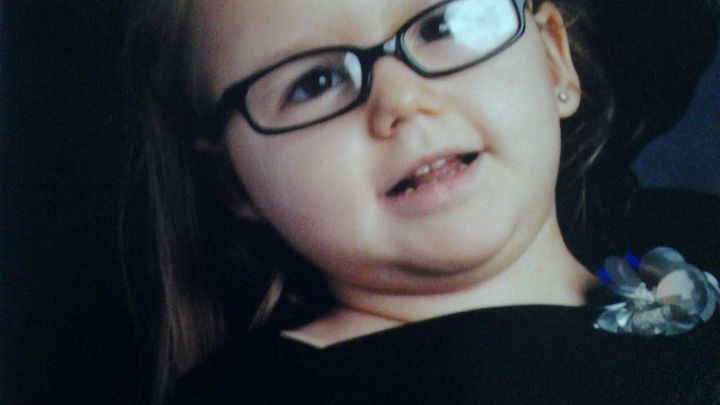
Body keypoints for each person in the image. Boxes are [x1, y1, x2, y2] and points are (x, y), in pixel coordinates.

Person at [121, 0, 720, 403]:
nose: (401, 99)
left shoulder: (695, 231)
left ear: (553, 61)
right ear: (233, 181)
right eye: (314, 83)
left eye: (442, 26)